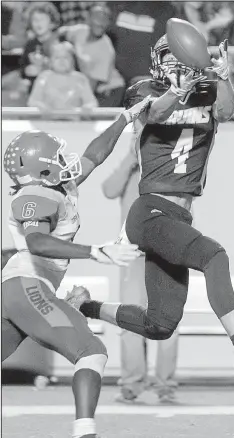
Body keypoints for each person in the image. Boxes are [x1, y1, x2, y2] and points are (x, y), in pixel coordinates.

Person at [69, 33, 234, 377]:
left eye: (181, 59)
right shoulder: (144, 91)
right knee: (213, 255)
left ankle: (83, 306)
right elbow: (157, 114)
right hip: (149, 211)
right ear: (158, 64)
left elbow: (226, 110)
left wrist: (223, 75)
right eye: (170, 60)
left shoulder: (208, 89)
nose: (177, 65)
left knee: (160, 324)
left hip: (178, 215)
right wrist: (177, 91)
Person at [2, 96, 150, 438]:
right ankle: (85, 431)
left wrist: (125, 117)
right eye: (55, 158)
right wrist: (96, 252)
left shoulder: (58, 186)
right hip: (27, 287)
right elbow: (37, 242)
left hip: (16, 290)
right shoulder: (34, 196)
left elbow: (95, 156)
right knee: (92, 352)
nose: (64, 161)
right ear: (38, 168)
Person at [102, 142, 179, 403]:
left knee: (168, 322)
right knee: (131, 321)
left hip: (166, 252)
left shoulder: (173, 164)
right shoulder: (131, 169)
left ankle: (164, 387)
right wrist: (129, 158)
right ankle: (132, 386)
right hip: (133, 253)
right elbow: (109, 190)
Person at [59, 4, 125, 107]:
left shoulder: (106, 50)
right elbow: (59, 32)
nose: (101, 22)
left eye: (105, 19)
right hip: (86, 83)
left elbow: (91, 87)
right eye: (97, 17)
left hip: (108, 91)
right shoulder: (80, 31)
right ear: (88, 19)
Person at [28, 41, 98, 112]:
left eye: (65, 57)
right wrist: (39, 106)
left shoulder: (80, 79)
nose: (62, 61)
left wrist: (87, 107)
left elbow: (92, 103)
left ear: (72, 60)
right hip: (48, 121)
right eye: (57, 58)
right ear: (51, 61)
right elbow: (33, 101)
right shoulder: (43, 77)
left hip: (74, 121)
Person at [20, 2, 60, 94]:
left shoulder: (58, 43)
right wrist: (26, 71)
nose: (38, 23)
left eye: (42, 19)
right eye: (35, 20)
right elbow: (22, 67)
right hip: (35, 92)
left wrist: (42, 70)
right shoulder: (30, 44)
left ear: (51, 22)